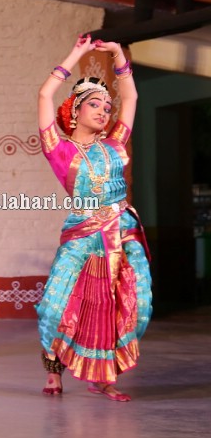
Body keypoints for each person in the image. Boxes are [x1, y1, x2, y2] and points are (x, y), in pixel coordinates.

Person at [35, 34, 150, 401]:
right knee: (57, 305)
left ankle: (105, 377)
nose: (105, 111)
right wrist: (77, 53)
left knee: (127, 305)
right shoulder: (60, 149)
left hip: (122, 233)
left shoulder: (115, 142)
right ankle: (54, 372)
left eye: (106, 106)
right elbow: (43, 96)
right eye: (96, 105)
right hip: (83, 234)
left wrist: (118, 54)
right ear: (76, 109)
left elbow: (130, 97)